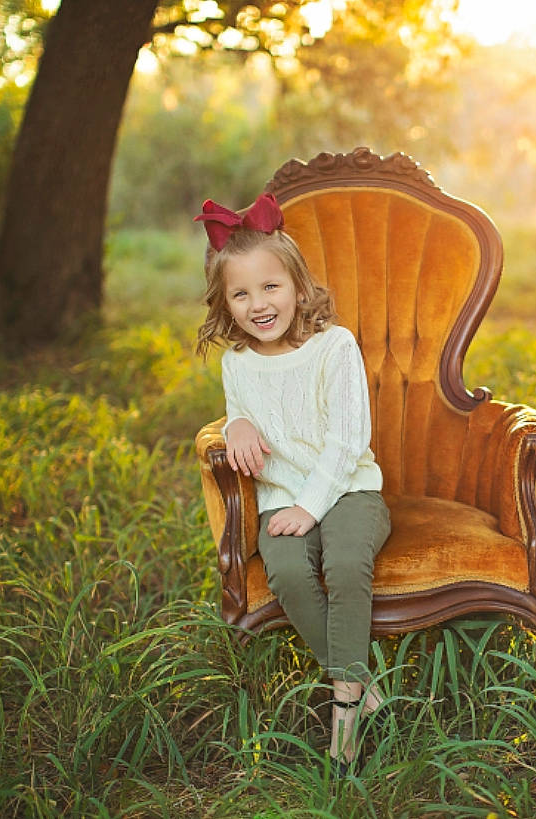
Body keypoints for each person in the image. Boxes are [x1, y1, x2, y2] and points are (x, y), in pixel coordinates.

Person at [193, 194, 392, 776]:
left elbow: (348, 440)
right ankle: (361, 681)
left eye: (270, 287)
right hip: (280, 499)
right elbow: (241, 410)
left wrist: (310, 507)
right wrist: (236, 423)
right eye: (241, 294)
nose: (259, 304)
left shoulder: (335, 346)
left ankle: (344, 708)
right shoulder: (238, 363)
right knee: (284, 571)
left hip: (349, 489)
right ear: (226, 304)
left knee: (346, 563)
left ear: (299, 287)